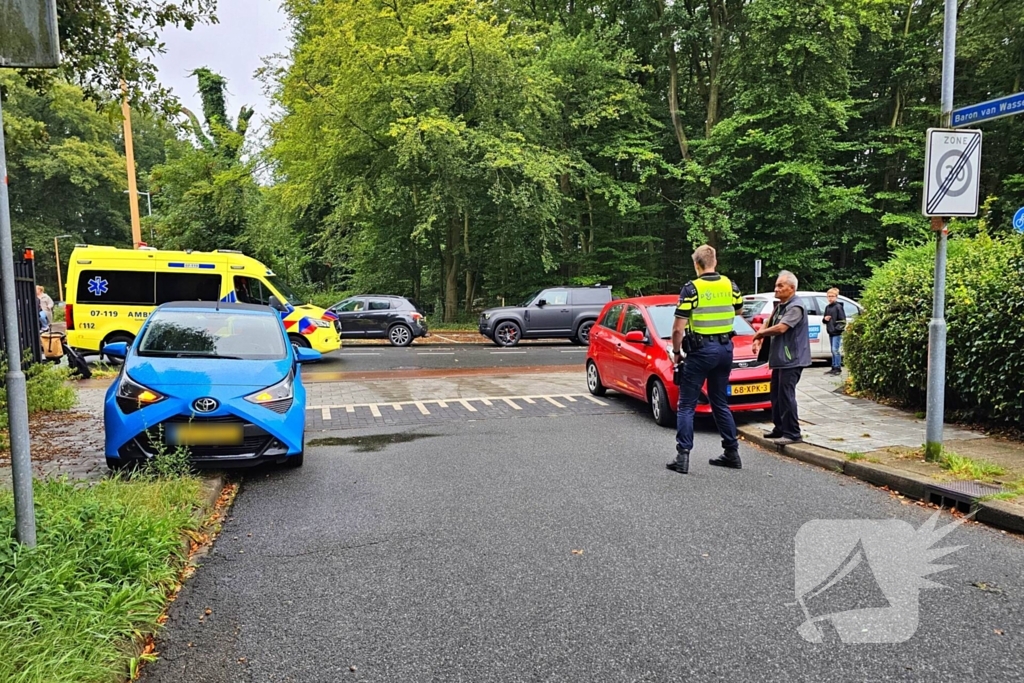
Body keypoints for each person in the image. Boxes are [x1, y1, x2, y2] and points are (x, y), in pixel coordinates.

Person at [666, 245, 745, 474]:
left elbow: (678, 328)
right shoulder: (730, 285)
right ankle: (732, 452)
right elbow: (739, 311)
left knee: (687, 405)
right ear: (715, 262)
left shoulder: (691, 289)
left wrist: (677, 352)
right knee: (720, 401)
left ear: (696, 264)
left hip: (700, 351)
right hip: (725, 350)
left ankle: (682, 457)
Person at [751, 271, 811, 445]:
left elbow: (781, 328)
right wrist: (760, 337)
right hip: (780, 359)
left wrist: (760, 333)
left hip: (792, 359)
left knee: (786, 395)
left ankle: (793, 433)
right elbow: (770, 322)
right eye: (776, 285)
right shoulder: (782, 305)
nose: (776, 289)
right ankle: (779, 428)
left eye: (780, 286)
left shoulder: (795, 307)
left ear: (791, 288)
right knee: (776, 395)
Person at [822, 288, 847, 376]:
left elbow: (842, 320)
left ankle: (837, 367)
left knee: (835, 350)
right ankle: (833, 366)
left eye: (832, 296)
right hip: (830, 331)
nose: (830, 298)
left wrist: (837, 329)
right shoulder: (827, 307)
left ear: (836, 297)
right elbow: (824, 320)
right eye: (829, 296)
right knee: (832, 350)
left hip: (836, 332)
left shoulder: (838, 307)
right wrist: (825, 319)